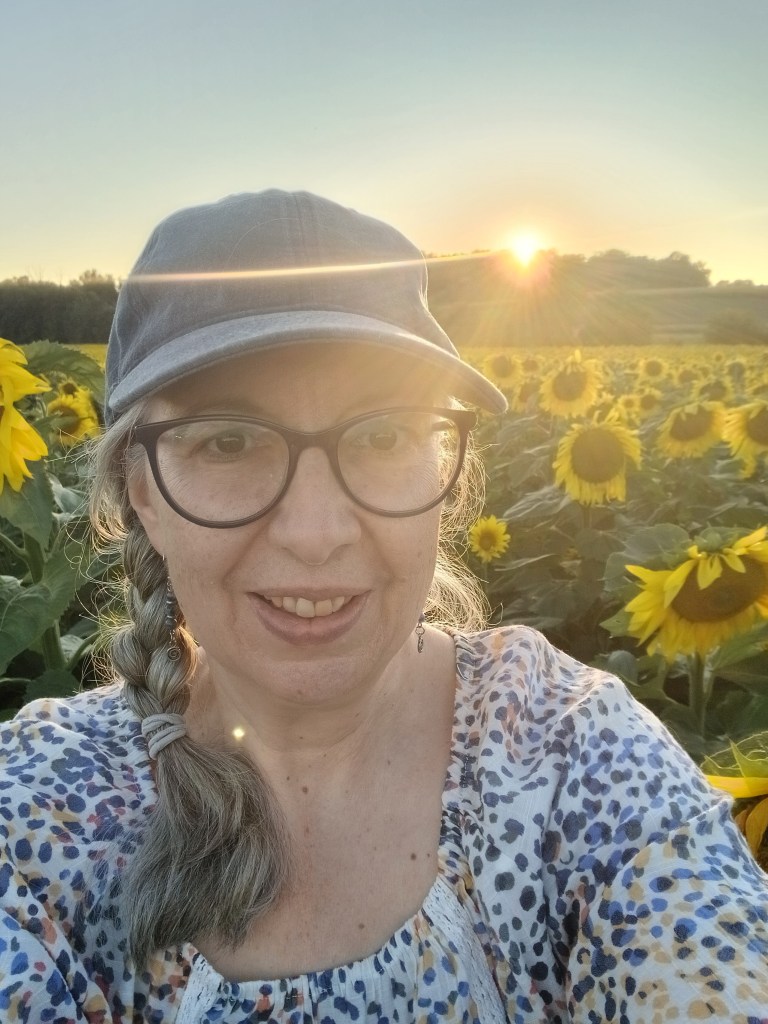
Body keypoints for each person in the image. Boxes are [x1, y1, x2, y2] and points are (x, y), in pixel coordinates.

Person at [0, 190, 766, 1024]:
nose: (317, 534)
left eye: (382, 435)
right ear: (142, 492)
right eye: (228, 440)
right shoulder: (39, 816)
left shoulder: (569, 757)